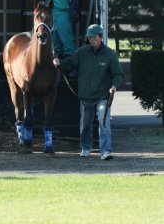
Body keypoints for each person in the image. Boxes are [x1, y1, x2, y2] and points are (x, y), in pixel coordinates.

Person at [53, 24, 124, 160]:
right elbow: (69, 62)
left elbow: (118, 74)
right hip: (85, 97)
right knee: (85, 125)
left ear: (100, 37)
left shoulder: (110, 54)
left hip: (103, 96)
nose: (91, 40)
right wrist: (59, 63)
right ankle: (86, 148)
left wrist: (114, 86)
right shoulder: (82, 52)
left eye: (93, 37)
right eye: (89, 38)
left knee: (104, 123)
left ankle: (105, 151)